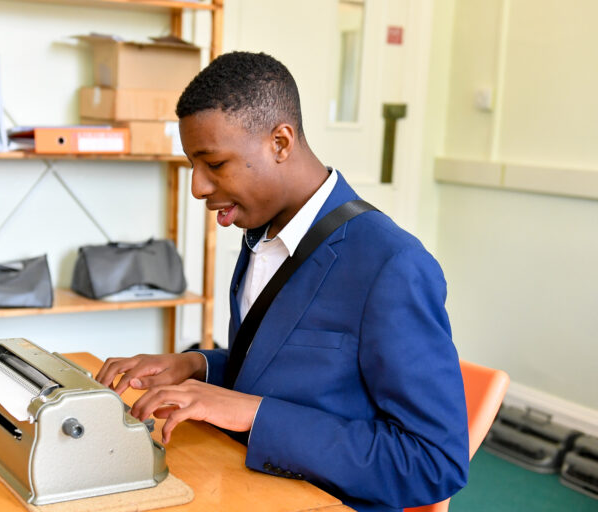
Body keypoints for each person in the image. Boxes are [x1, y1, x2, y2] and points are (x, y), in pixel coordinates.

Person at [96, 51, 468, 512]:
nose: (197, 187)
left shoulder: (393, 264)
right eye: (193, 164)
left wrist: (253, 414)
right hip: (243, 484)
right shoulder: (261, 232)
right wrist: (195, 367)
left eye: (214, 163)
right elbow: (282, 367)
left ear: (280, 141)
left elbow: (434, 463)